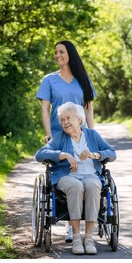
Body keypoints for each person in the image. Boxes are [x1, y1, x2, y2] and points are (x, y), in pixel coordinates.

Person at [35, 102, 116, 255]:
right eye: (62, 120)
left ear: (79, 119)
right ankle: (77, 238)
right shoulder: (59, 138)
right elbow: (40, 154)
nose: (65, 122)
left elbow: (111, 152)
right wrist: (63, 155)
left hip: (90, 175)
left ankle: (89, 238)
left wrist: (95, 155)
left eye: (68, 118)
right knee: (75, 186)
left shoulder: (92, 135)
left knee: (93, 185)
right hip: (67, 176)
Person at [36, 40, 97, 242]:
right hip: (59, 135)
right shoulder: (50, 80)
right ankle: (74, 226)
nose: (57, 55)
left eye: (61, 51)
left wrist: (92, 134)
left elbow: (88, 108)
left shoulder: (83, 79)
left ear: (70, 53)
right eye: (55, 52)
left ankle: (78, 225)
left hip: (81, 134)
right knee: (68, 175)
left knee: (86, 174)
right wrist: (49, 134)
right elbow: (45, 109)